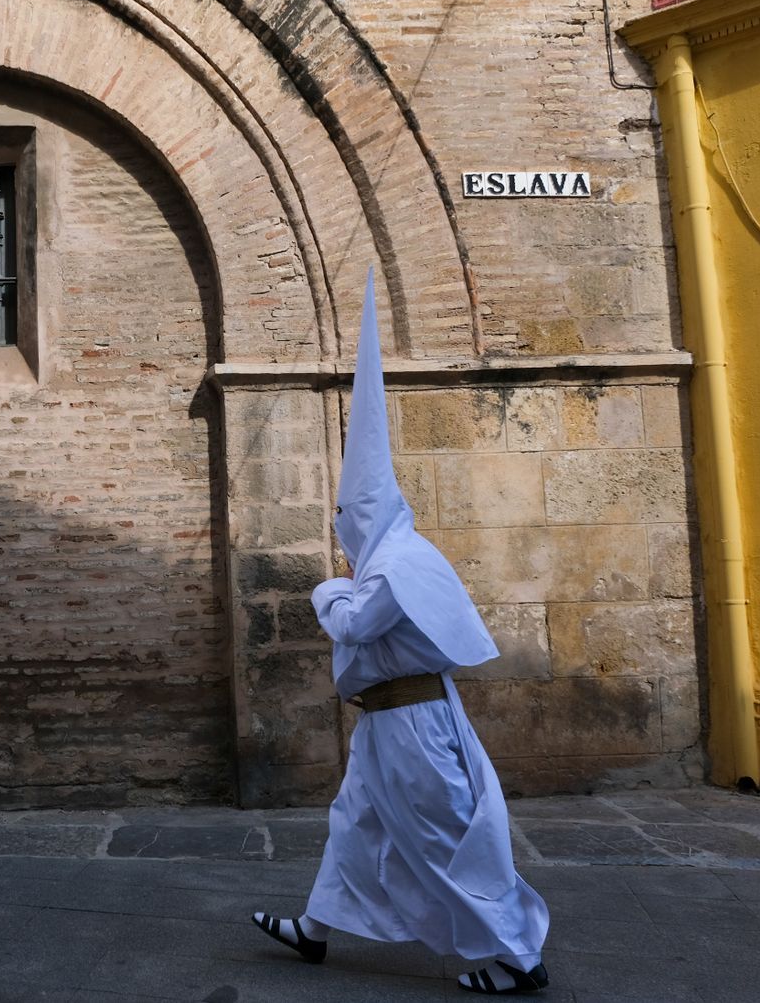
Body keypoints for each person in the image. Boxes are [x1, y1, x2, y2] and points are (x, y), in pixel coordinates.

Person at [250, 274, 550, 995]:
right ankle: (315, 930)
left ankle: (516, 955)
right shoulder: (388, 559)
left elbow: (354, 620)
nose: (345, 529)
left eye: (351, 513)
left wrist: (327, 584)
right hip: (386, 722)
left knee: (445, 836)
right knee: (354, 823)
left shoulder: (395, 565)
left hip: (413, 723)